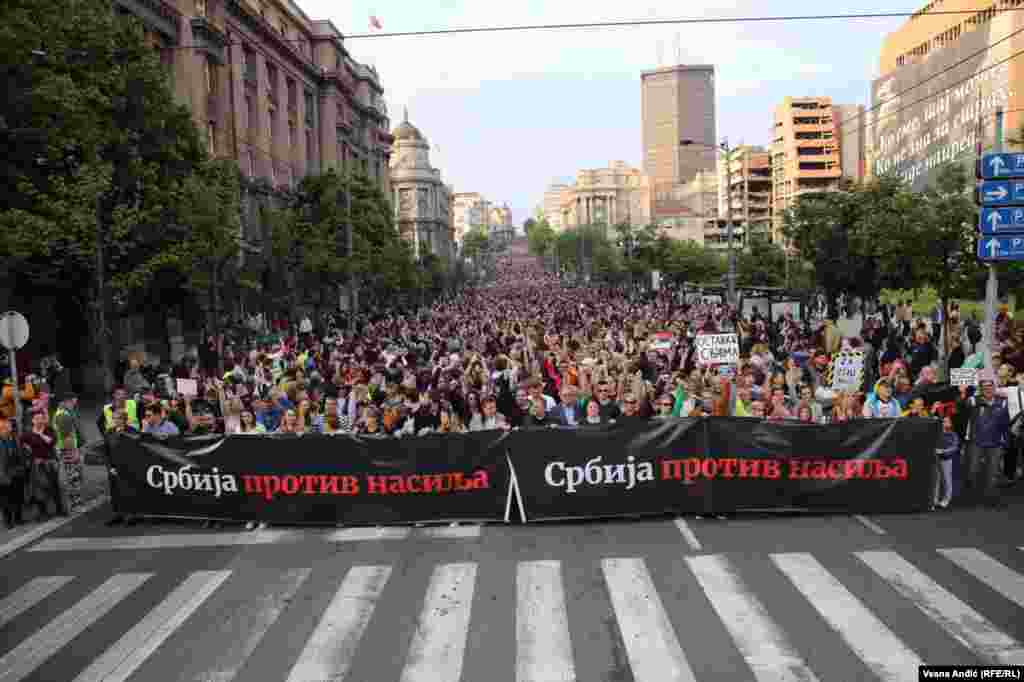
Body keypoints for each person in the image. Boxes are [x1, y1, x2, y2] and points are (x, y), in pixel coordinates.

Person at [957, 375, 1009, 508]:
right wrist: (962, 393)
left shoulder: (1002, 402)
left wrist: (1006, 441)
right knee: (972, 471)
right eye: (984, 387)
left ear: (994, 388)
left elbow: (1005, 423)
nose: (988, 389)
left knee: (993, 473)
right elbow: (961, 405)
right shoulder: (974, 400)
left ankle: (990, 499)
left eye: (990, 386)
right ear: (980, 389)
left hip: (995, 443)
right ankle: (972, 498)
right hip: (976, 442)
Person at [21, 409, 63, 519]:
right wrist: (28, 452)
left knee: (54, 486)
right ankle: (43, 512)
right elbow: (23, 446)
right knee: (39, 489)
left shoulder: (49, 430)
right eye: (37, 419)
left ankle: (59, 509)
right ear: (32, 420)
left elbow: (52, 441)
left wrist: (41, 434)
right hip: (37, 465)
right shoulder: (27, 434)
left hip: (50, 463)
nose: (40, 421)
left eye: (41, 418)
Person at [52, 393, 84, 513]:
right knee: (73, 478)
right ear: (66, 402)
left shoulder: (62, 413)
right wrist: (74, 453)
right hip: (68, 451)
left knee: (73, 477)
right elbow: (67, 437)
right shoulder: (63, 416)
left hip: (66, 450)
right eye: (72, 403)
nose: (73, 405)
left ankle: (74, 503)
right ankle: (75, 505)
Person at [0, 417, 27, 528]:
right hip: (4, 474)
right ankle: (8, 521)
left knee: (18, 496)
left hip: (17, 472)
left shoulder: (16, 438)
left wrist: (23, 467)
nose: (7, 429)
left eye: (8, 427)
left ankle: (18, 518)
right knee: (6, 499)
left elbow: (21, 454)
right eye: (4, 428)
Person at [934, 415, 959, 510]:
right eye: (943, 421)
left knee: (946, 480)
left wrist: (943, 451)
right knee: (936, 480)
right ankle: (934, 500)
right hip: (936, 459)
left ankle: (946, 500)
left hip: (946, 459)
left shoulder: (953, 434)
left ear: (950, 423)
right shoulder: (936, 433)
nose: (945, 423)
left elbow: (955, 447)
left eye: (947, 421)